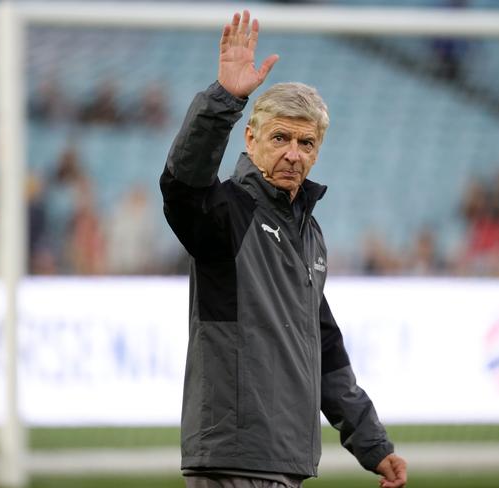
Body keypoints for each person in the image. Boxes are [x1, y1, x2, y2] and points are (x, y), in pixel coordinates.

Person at [159, 10, 407, 488]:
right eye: (280, 138)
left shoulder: (309, 236)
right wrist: (225, 100)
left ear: (317, 152)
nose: (293, 153)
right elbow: (182, 186)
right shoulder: (228, 214)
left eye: (306, 142)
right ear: (250, 140)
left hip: (284, 462)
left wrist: (372, 444)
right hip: (234, 461)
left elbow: (325, 350)